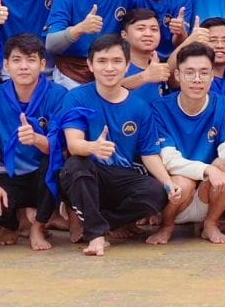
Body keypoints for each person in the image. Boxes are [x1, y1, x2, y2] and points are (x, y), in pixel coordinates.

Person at [56, 33, 170, 256]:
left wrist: (167, 183)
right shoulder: (76, 98)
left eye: (117, 61)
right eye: (102, 61)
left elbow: (149, 153)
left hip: (119, 176)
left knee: (155, 194)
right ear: (90, 65)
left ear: (127, 66)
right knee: (78, 166)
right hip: (87, 172)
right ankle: (96, 234)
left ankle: (95, 219)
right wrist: (93, 147)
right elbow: (74, 144)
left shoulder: (139, 107)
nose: (110, 68)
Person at [144, 42, 225, 245]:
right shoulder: (159, 109)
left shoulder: (223, 105)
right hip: (176, 196)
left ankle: (210, 224)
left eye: (204, 73)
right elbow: (169, 159)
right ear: (177, 75)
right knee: (184, 181)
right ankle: (167, 226)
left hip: (210, 193)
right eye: (189, 72)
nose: (197, 79)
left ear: (211, 77)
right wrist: (208, 170)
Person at [0, 33, 67, 250]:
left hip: (43, 173)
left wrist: (37, 139)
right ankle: (13, 223)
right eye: (17, 60)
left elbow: (62, 149)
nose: (24, 67)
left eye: (31, 60)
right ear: (6, 65)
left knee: (54, 167)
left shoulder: (58, 95)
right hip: (11, 174)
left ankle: (38, 226)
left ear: (42, 64)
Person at [120, 8, 172, 93]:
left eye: (154, 29)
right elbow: (106, 91)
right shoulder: (116, 64)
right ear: (124, 35)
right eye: (141, 29)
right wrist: (144, 76)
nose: (148, 34)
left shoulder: (160, 66)